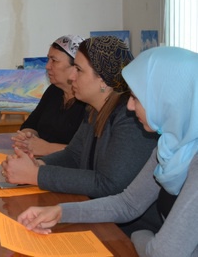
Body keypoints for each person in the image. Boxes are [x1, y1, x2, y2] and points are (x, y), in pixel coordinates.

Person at [17, 46, 198, 257]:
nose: (130, 106)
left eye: (137, 98)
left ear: (168, 99)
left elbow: (162, 253)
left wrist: (141, 234)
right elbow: (128, 203)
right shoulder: (168, 145)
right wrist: (60, 212)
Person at [2, 36, 160, 234]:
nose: (72, 77)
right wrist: (39, 164)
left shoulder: (130, 118)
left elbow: (109, 184)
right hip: (95, 215)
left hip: (128, 231)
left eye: (79, 70)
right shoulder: (94, 109)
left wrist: (37, 175)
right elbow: (73, 155)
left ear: (103, 79)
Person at [12, 35, 87, 156]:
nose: (47, 66)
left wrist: (46, 148)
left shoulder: (89, 101)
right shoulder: (54, 91)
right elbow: (31, 124)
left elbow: (88, 151)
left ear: (75, 67)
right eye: (48, 60)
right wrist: (27, 137)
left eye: (54, 60)